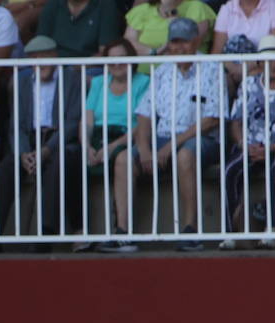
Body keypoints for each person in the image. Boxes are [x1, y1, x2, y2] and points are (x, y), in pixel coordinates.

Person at [107, 18, 223, 251]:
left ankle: (191, 231)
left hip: (200, 139)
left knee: (184, 156)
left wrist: (168, 148)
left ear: (196, 41)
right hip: (162, 138)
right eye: (174, 42)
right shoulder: (162, 70)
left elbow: (211, 120)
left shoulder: (212, 68)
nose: (179, 48)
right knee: (123, 159)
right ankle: (123, 233)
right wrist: (144, 149)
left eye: (185, 42)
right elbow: (145, 114)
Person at [0, 35, 83, 247]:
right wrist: (23, 154)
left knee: (58, 164)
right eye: (34, 58)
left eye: (45, 56)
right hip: (29, 142)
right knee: (5, 169)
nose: (40, 63)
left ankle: (45, 233)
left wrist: (47, 150)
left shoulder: (71, 78)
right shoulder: (22, 81)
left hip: (59, 141)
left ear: (55, 56)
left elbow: (72, 122)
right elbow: (16, 125)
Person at [80, 38, 149, 250]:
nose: (117, 64)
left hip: (128, 136)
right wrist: (87, 146)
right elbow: (87, 119)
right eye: (112, 59)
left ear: (131, 59)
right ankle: (79, 233)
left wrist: (112, 147)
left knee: (122, 159)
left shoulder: (144, 81)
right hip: (98, 136)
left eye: (122, 58)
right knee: (69, 159)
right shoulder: (98, 82)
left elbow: (142, 123)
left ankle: (122, 231)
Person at [219, 34, 275, 247]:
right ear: (259, 62)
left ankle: (271, 230)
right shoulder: (249, 84)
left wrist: (270, 148)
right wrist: (243, 143)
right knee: (230, 170)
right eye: (267, 59)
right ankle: (230, 233)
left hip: (274, 148)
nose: (272, 64)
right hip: (250, 146)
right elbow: (235, 121)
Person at [124, 0, 214, 57]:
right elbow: (128, 45)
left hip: (183, 75)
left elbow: (191, 43)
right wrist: (155, 52)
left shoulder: (196, 7)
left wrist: (174, 16)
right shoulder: (141, 10)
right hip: (140, 76)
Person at [36, 0, 122, 57]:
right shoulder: (53, 5)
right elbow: (40, 47)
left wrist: (77, 67)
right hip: (56, 68)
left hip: (90, 69)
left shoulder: (105, 4)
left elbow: (105, 52)